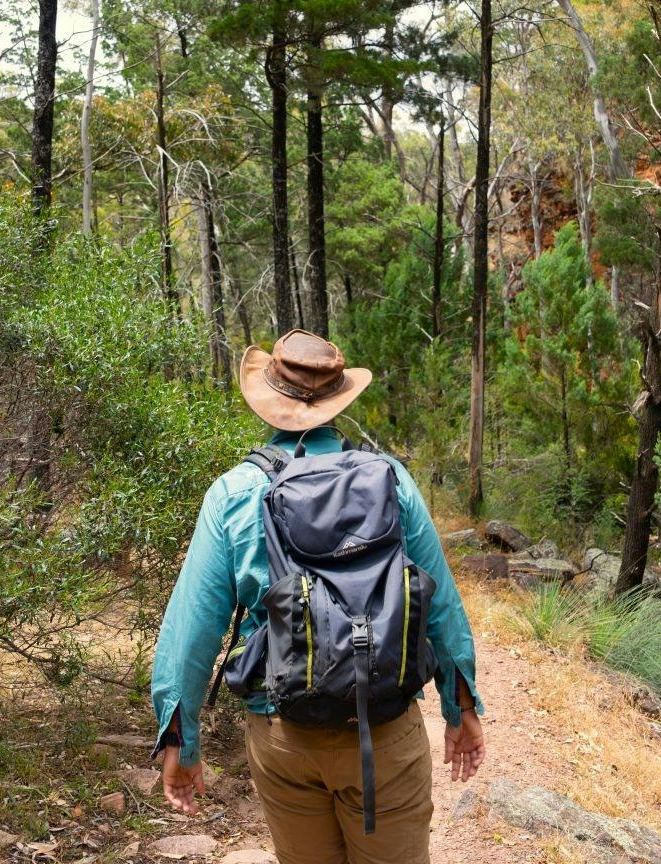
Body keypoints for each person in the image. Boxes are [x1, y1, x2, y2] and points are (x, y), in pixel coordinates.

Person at [149, 329, 486, 864]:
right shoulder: (391, 479)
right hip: (387, 729)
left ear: (270, 403)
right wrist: (460, 706)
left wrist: (181, 744)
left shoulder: (235, 494)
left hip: (285, 736)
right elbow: (438, 603)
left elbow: (192, 631)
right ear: (337, 401)